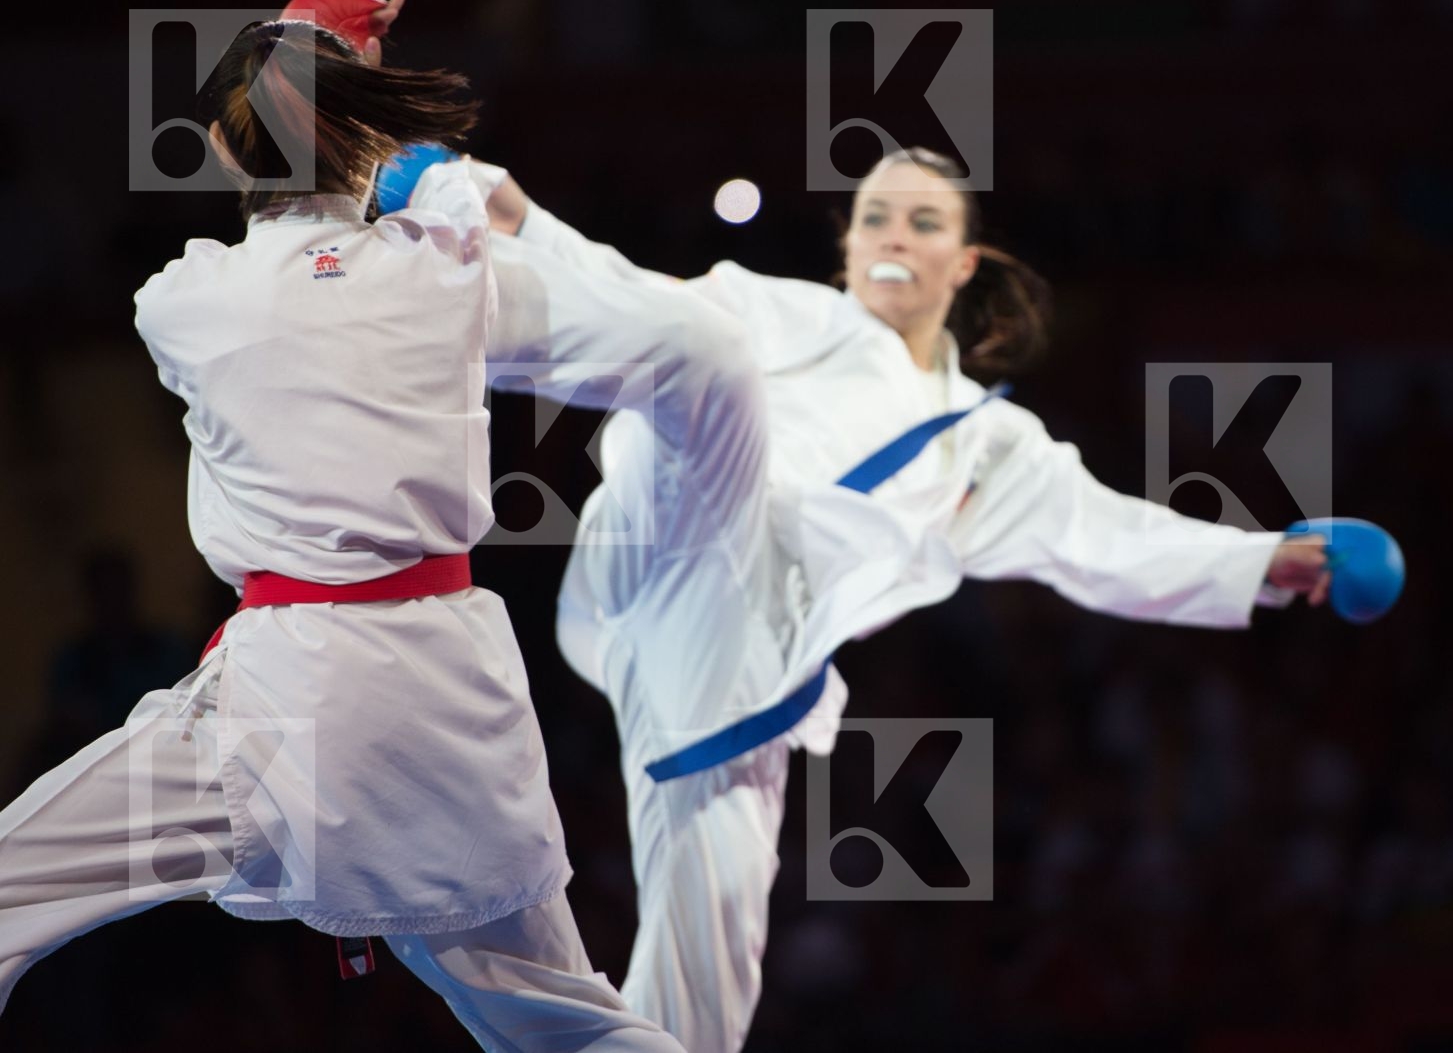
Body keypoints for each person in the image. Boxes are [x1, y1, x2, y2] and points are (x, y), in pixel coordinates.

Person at [466, 146, 1339, 1053]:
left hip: (745, 661)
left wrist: (1262, 561)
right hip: (664, 540)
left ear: (962, 262)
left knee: (709, 965)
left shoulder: (985, 441)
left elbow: (1107, 536)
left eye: (924, 222)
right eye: (876, 217)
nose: (895, 236)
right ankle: (452, 285)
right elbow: (636, 305)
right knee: (698, 346)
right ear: (845, 246)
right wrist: (529, 223)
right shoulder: (785, 310)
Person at [0, 13, 681, 1052]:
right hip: (448, 705)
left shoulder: (185, 298)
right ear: (363, 137)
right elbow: (452, 184)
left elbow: (291, 197)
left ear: (227, 147)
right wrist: (362, 95)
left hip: (285, 711)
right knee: (573, 1029)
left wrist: (322, 71)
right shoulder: (448, 259)